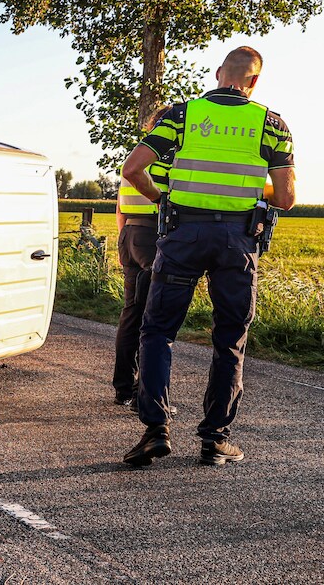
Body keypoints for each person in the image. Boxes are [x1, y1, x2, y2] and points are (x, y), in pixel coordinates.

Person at [118, 46, 296, 467]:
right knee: (230, 337)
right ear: (254, 81)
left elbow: (132, 169)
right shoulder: (271, 124)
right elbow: (287, 198)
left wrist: (163, 199)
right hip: (237, 240)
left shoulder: (181, 115)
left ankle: (155, 429)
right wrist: (251, 189)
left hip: (183, 234)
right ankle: (215, 438)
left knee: (158, 329)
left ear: (219, 74)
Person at [112, 105, 174, 411]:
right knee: (153, 319)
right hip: (152, 235)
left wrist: (126, 240)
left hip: (130, 235)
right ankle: (144, 395)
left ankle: (124, 388)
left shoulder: (136, 154)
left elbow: (120, 208)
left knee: (131, 314)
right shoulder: (167, 157)